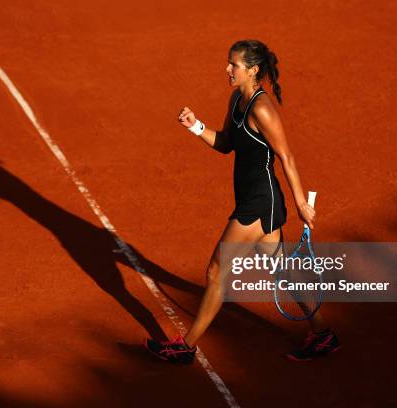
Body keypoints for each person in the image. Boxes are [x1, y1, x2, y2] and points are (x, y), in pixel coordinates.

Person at [145, 40, 339, 363]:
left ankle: (185, 347)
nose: (227, 69)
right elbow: (224, 144)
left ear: (252, 70)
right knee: (281, 272)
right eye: (228, 63)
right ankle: (323, 335)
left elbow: (286, 157)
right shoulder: (237, 99)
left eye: (233, 65)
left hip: (260, 203)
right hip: (254, 199)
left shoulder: (262, 109)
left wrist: (302, 203)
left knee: (216, 271)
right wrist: (196, 126)